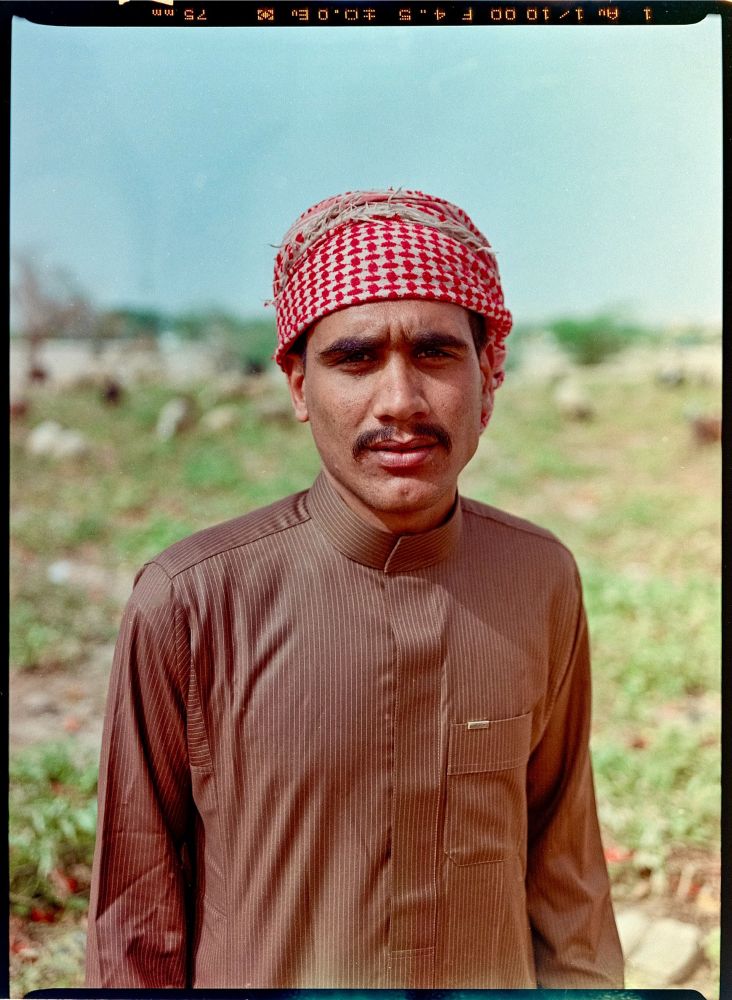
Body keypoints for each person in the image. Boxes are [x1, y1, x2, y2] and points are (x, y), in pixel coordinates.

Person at [86, 189, 624, 990]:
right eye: (356, 359)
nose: (400, 403)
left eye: (437, 354)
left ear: (490, 371)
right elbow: (135, 917)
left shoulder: (539, 578)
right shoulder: (190, 603)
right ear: (299, 384)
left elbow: (564, 873)